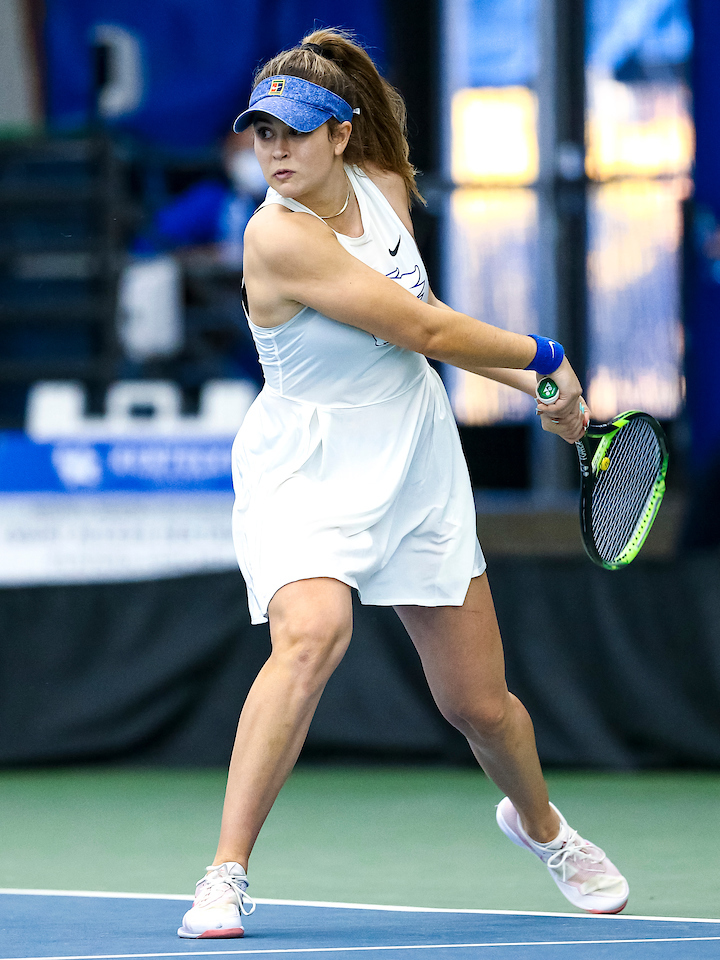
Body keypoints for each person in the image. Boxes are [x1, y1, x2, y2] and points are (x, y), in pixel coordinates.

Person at [177, 29, 629, 940]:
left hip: (416, 462)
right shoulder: (275, 238)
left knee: (478, 705)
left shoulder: (384, 195)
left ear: (342, 136)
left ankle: (542, 829)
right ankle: (224, 873)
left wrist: (542, 393)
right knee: (312, 634)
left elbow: (422, 327)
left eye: (294, 134)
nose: (273, 153)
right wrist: (544, 357)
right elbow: (423, 333)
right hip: (306, 465)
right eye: (261, 134)